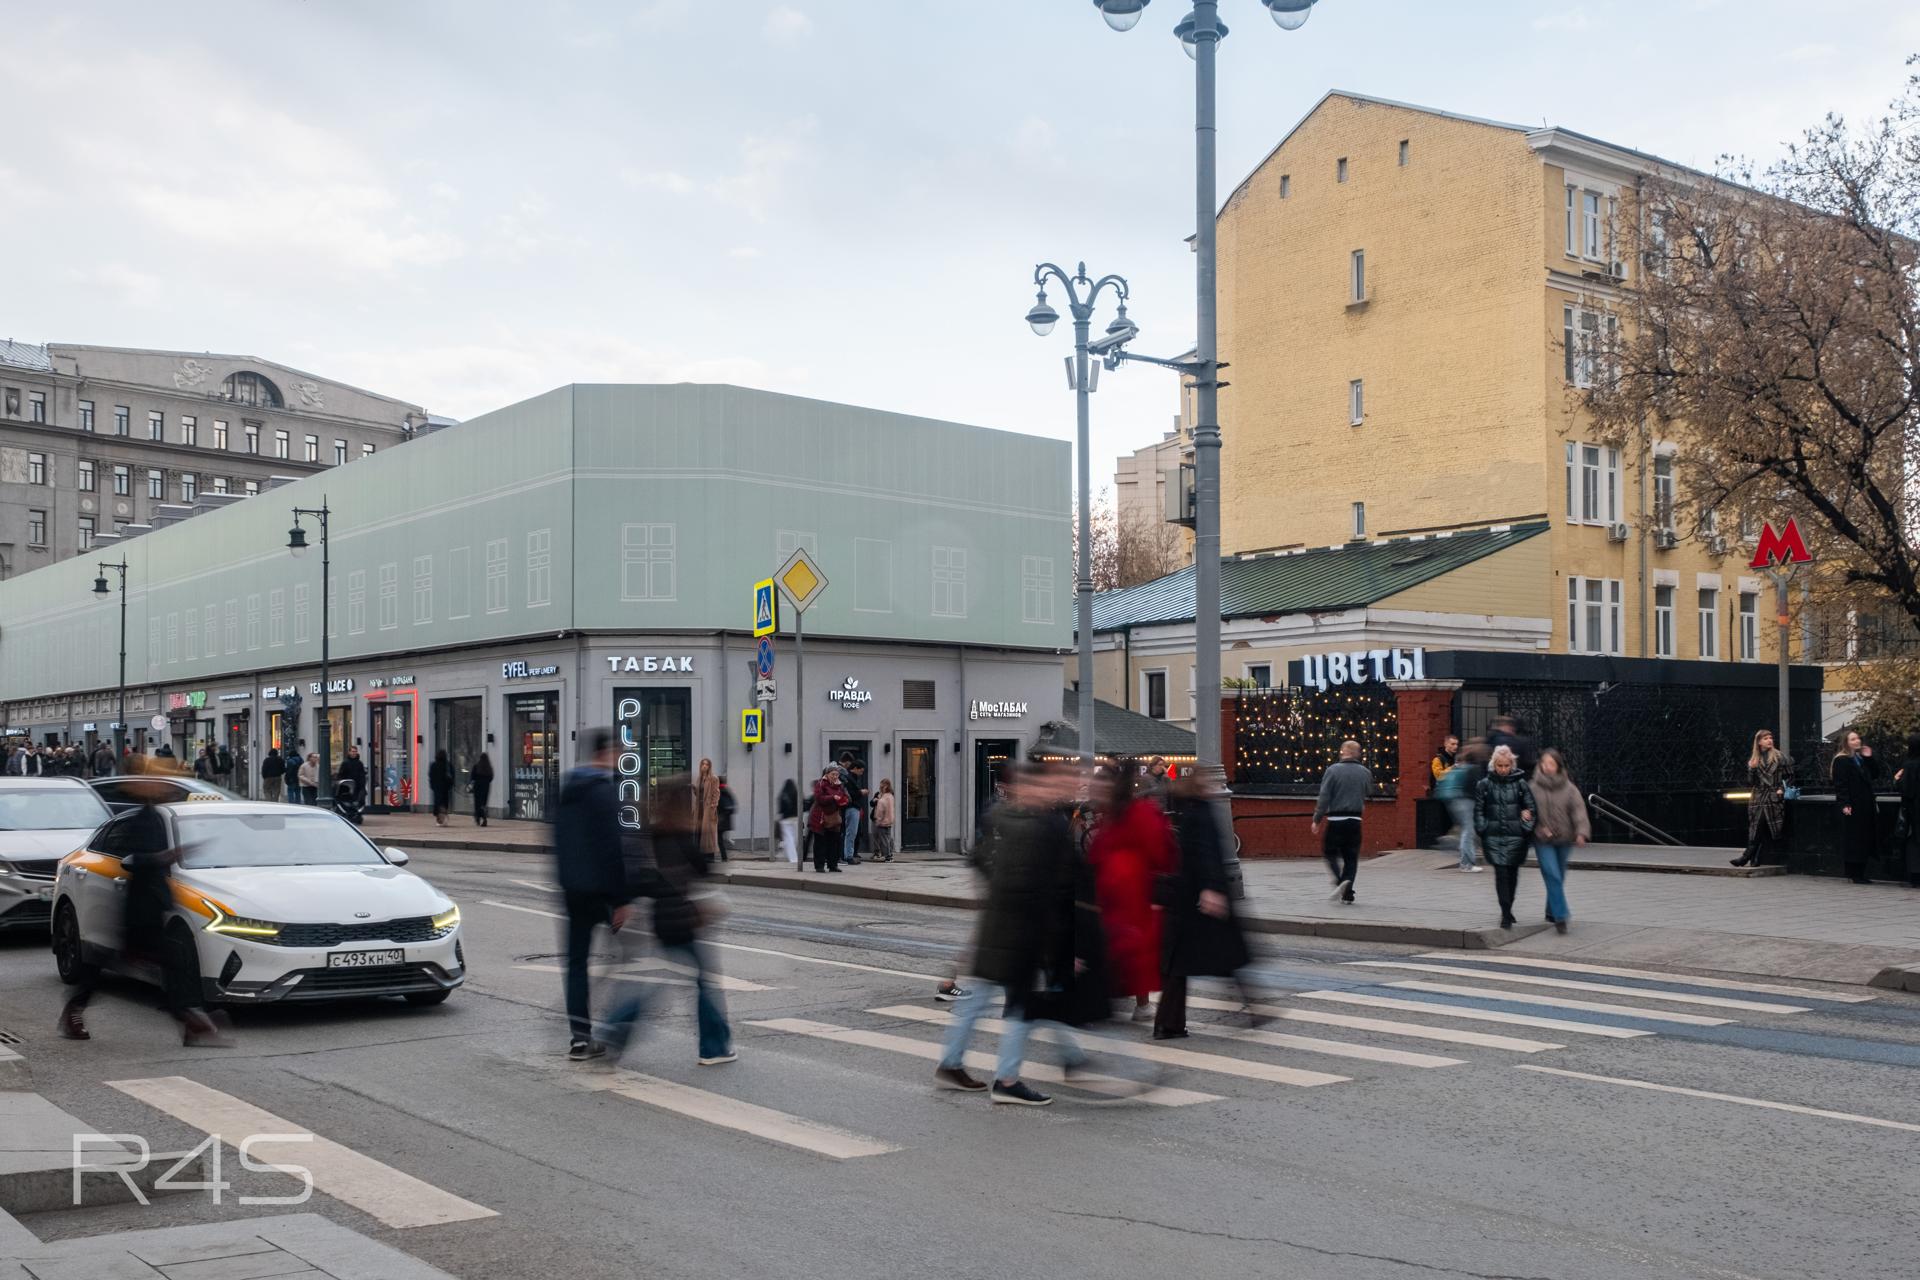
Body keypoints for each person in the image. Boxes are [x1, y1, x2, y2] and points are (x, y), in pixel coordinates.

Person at [935, 763, 1087, 1104]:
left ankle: (951, 1063)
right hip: (1022, 932)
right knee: (1021, 1006)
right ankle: (1007, 1080)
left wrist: (995, 895)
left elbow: (979, 859)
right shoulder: (1043, 826)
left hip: (996, 925)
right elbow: (1048, 889)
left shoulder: (1000, 816)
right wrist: (1061, 942)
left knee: (978, 1000)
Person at [59, 758, 231, 1047]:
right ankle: (191, 1023)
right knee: (127, 962)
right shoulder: (141, 818)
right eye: (156, 782)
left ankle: (191, 1023)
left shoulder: (154, 815)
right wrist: (169, 855)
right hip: (138, 909)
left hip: (152, 905)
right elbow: (135, 859)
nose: (163, 787)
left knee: (164, 964)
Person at [600, 774, 736, 1066]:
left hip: (661, 920)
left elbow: (641, 879)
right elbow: (704, 869)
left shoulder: (653, 833)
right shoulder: (685, 836)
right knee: (704, 982)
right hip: (683, 922)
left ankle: (613, 1030)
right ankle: (714, 1048)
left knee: (655, 985)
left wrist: (625, 903)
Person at [551, 728, 636, 1061]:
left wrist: (566, 882)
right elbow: (611, 848)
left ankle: (580, 1038)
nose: (619, 758)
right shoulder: (603, 791)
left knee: (576, 964)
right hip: (601, 893)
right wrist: (621, 900)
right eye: (617, 752)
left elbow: (557, 840)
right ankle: (616, 1029)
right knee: (634, 957)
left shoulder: (568, 789)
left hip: (573, 892)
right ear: (606, 752)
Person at [1154, 767, 1251, 1041]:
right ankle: (1169, 1023)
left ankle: (1168, 1023)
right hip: (1200, 898)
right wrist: (1212, 888)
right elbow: (1207, 852)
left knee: (1184, 963)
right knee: (1225, 954)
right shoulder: (1202, 812)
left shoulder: (1184, 811)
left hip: (1186, 897)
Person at [1088, 760, 1174, 1023]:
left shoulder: (1131, 814)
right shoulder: (1116, 815)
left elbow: (1159, 851)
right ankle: (1122, 999)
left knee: (1132, 950)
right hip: (1116, 893)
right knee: (1123, 949)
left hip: (1133, 894)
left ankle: (1139, 1002)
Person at [1476, 744, 1537, 928]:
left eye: (1506, 765)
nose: (1503, 769)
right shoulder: (1484, 785)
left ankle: (1509, 908)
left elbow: (1531, 808)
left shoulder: (1520, 784)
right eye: (1500, 765)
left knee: (1512, 875)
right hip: (1493, 837)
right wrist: (1483, 828)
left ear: (1512, 765)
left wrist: (1525, 826)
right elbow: (1478, 810)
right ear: (1494, 765)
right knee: (1501, 874)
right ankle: (1505, 913)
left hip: (1516, 837)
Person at [1528, 748, 1588, 933]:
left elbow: (1578, 811)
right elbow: (1527, 812)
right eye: (1544, 763)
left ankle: (1551, 911)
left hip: (1564, 838)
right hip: (1542, 839)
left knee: (1558, 876)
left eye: (1551, 764)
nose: (1547, 767)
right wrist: (1539, 828)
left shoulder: (1569, 788)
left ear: (1558, 766)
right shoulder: (1532, 787)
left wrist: (1581, 832)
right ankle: (1561, 916)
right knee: (1552, 874)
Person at [1310, 740, 1372, 905]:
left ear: (1344, 752)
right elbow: (1368, 792)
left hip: (1336, 819)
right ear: (1357, 753)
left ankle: (1340, 882)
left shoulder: (1332, 770)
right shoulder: (1365, 772)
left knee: (1329, 852)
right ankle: (1348, 892)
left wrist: (1317, 819)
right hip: (1355, 820)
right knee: (1351, 857)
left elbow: (1324, 797)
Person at [1732, 729, 1793, 868]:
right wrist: (1752, 769)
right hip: (1758, 796)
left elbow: (1790, 776)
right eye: (1765, 738)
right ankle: (1755, 858)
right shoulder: (1755, 759)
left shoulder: (1780, 757)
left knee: (1762, 825)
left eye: (1770, 737)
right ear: (1759, 742)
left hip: (1773, 796)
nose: (1769, 740)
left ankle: (1746, 856)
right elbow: (1751, 782)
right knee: (1757, 826)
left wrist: (1781, 789)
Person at [1831, 729, 1879, 884]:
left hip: (1865, 804)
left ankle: (1860, 872)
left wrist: (1869, 758)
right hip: (1853, 804)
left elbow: (1875, 774)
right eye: (1852, 739)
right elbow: (1841, 784)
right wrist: (1845, 803)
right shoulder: (1842, 760)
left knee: (1864, 837)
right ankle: (1854, 873)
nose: (1857, 741)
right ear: (1846, 743)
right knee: (1854, 838)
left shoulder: (1860, 758)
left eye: (1857, 738)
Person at [807, 765, 849, 873]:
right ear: (827, 774)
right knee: (820, 843)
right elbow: (819, 798)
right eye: (833, 774)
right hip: (820, 817)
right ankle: (819, 866)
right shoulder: (821, 784)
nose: (835, 777)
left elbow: (845, 797)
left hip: (833, 817)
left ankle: (833, 865)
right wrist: (832, 797)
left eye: (837, 774)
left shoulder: (839, 785)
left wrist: (843, 800)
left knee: (834, 842)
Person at [1894, 733, 1920, 889]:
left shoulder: (1910, 764)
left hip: (1914, 809)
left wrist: (1897, 780)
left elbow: (1907, 790)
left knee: (1914, 841)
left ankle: (1915, 875)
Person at [842, 759, 868, 866]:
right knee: (851, 833)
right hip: (852, 808)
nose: (861, 774)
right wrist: (861, 792)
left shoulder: (851, 778)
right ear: (855, 768)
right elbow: (851, 795)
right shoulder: (849, 779)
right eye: (861, 771)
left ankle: (848, 854)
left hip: (853, 808)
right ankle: (848, 856)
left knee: (851, 833)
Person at [696, 757, 721, 863]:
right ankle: (701, 855)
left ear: (709, 766)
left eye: (706, 764)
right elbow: (699, 794)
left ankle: (710, 856)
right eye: (703, 764)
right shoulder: (699, 778)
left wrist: (713, 806)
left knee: (709, 833)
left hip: (708, 809)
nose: (704, 766)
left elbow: (716, 793)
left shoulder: (713, 778)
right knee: (700, 832)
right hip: (700, 809)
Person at [870, 778, 897, 863]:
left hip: (882, 821)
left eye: (882, 785)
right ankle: (888, 854)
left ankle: (887, 856)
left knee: (884, 840)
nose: (881, 787)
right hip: (888, 820)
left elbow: (880, 810)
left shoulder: (884, 798)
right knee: (886, 838)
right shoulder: (890, 796)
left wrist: (878, 820)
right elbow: (872, 803)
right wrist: (874, 800)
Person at [337, 745, 368, 813]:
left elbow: (362, 775)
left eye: (355, 751)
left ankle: (356, 812)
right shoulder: (345, 763)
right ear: (349, 752)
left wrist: (362, 785)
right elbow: (341, 774)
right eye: (353, 751)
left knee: (359, 801)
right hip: (348, 787)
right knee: (348, 802)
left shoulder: (359, 763)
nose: (354, 753)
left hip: (358, 786)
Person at [778, 777, 801, 866]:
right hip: (795, 818)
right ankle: (790, 855)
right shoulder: (797, 793)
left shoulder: (783, 794)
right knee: (794, 839)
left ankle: (792, 857)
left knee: (788, 838)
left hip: (785, 819)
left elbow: (780, 808)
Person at [429, 749, 455, 826]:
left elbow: (431, 776)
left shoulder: (434, 765)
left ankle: (439, 819)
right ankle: (443, 816)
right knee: (444, 802)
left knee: (438, 802)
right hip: (445, 787)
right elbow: (452, 775)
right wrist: (450, 785)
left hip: (437, 787)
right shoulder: (448, 765)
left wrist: (432, 785)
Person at [715, 775, 735, 863]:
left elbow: (719, 806)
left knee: (719, 840)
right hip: (726, 821)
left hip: (721, 820)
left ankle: (724, 857)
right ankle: (724, 857)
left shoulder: (720, 791)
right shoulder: (727, 791)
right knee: (720, 839)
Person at [471, 752, 495, 826]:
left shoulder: (476, 766)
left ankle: (477, 818)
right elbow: (491, 777)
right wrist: (486, 781)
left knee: (477, 803)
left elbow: (472, 777)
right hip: (486, 787)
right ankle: (484, 817)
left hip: (477, 787)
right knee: (483, 803)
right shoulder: (489, 767)